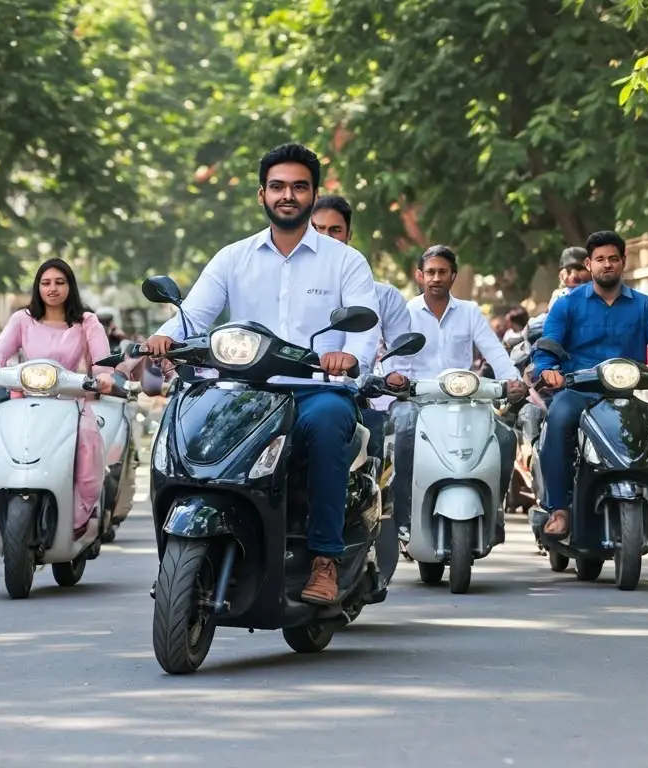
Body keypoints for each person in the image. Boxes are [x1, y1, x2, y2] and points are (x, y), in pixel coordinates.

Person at [145, 143, 381, 606]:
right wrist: (162, 339)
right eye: (278, 186)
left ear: (313, 195)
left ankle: (325, 558)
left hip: (313, 391)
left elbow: (365, 328)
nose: (287, 195)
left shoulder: (344, 261)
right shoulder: (233, 257)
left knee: (331, 421)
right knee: (184, 418)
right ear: (262, 194)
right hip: (241, 393)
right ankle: (179, 558)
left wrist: (349, 358)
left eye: (299, 187)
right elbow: (194, 315)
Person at [533, 230, 648, 539]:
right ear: (589, 264)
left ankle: (645, 495)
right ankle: (559, 508)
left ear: (623, 262)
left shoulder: (643, 305)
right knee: (557, 421)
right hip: (578, 392)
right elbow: (549, 341)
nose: (607, 264)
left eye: (613, 259)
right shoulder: (568, 304)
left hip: (624, 396)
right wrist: (548, 369)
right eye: (600, 259)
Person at [387, 245, 526, 543]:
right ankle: (404, 516)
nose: (436, 278)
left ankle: (493, 510)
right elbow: (393, 358)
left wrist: (513, 381)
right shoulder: (405, 312)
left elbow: (494, 351)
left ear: (453, 276)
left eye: (442, 272)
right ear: (420, 276)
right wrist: (394, 377)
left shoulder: (470, 311)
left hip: (464, 401)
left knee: (504, 439)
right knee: (405, 432)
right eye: (430, 272)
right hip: (416, 400)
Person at [0, 258, 116, 532]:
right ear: (37, 287)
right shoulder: (22, 319)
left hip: (69, 402)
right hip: (24, 400)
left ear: (70, 286)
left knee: (88, 446)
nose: (52, 289)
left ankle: (80, 516)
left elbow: (101, 362)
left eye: (60, 282)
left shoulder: (87, 321)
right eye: (46, 283)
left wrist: (104, 376)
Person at [309, 192, 410, 465]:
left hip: (358, 395)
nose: (326, 237)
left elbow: (399, 354)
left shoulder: (385, 296)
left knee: (388, 436)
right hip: (296, 391)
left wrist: (393, 375)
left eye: (335, 230)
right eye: (317, 229)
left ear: (348, 235)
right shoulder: (285, 286)